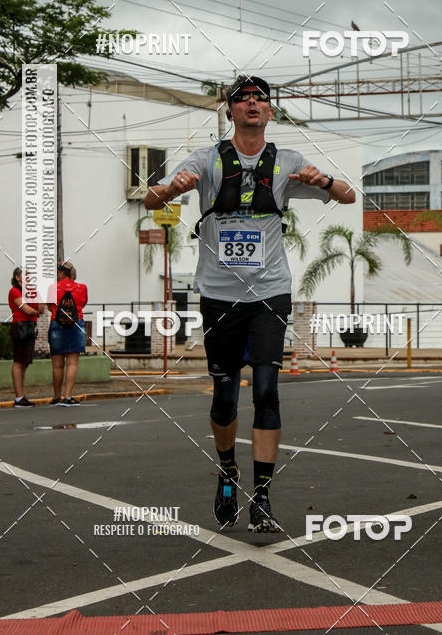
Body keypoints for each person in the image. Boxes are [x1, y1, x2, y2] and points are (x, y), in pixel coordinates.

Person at [145, 74, 356, 533]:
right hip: (219, 295)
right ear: (231, 111)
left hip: (270, 293)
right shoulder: (206, 160)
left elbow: (348, 196)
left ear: (271, 112)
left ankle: (261, 495)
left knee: (265, 391)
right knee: (224, 396)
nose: (253, 103)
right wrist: (172, 189)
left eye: (261, 98)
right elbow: (149, 198)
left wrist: (326, 181)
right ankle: (228, 472)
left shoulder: (287, 162)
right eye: (243, 98)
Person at [47, 261, 88, 406]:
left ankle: (57, 397)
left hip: (56, 324)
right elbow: (82, 304)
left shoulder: (53, 288)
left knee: (57, 365)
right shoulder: (81, 288)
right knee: (72, 363)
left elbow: (50, 307)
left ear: (61, 273)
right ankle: (68, 397)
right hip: (76, 324)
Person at [8, 267, 40, 407]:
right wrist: (34, 311)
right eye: (25, 274)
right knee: (19, 361)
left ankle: (21, 396)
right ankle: (19, 397)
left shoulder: (31, 291)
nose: (28, 277)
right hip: (20, 326)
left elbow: (41, 309)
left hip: (30, 326)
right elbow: (26, 309)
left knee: (26, 361)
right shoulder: (14, 291)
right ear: (17, 277)